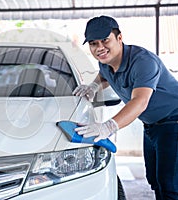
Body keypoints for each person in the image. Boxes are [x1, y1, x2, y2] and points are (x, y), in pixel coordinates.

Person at [73, 15, 178, 200]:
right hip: (152, 126)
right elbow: (104, 75)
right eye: (93, 43)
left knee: (171, 184)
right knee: (154, 180)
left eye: (105, 41)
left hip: (174, 122)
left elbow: (140, 101)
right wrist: (93, 86)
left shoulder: (143, 62)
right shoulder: (105, 61)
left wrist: (108, 126)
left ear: (119, 38)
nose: (99, 48)